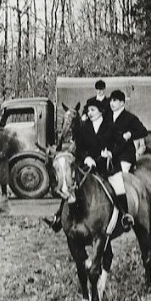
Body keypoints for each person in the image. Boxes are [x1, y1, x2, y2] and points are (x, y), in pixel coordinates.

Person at [48, 98, 112, 232]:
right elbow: (80, 148)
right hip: (86, 164)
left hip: (103, 164)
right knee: (70, 186)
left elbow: (114, 143)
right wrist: (86, 157)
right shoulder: (84, 127)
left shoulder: (108, 125)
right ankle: (59, 216)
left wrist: (107, 153)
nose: (89, 113)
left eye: (92, 110)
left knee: (113, 188)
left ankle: (122, 214)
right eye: (88, 110)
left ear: (101, 112)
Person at [105, 89, 148, 231]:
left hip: (125, 155)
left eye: (115, 101)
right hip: (110, 154)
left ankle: (125, 213)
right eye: (111, 100)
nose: (112, 103)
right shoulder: (107, 116)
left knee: (121, 177)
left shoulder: (130, 118)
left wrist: (131, 133)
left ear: (122, 103)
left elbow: (143, 131)